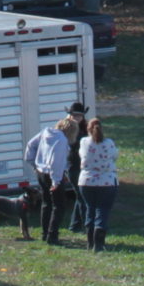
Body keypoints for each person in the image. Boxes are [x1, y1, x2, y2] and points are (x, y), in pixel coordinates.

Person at [22, 117, 72, 245]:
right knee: (59, 206)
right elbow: (56, 161)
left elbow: (30, 145)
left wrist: (33, 163)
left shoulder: (45, 132)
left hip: (41, 172)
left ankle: (44, 233)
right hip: (52, 174)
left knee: (46, 203)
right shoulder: (62, 140)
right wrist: (56, 181)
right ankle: (52, 235)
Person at [45, 100, 88, 244]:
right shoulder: (66, 128)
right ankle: (81, 225)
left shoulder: (85, 129)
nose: (77, 118)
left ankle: (75, 224)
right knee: (81, 195)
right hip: (72, 165)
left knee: (80, 196)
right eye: (75, 115)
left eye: (80, 116)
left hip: (82, 165)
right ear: (69, 115)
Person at [76, 116, 120, 251]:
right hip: (106, 181)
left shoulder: (84, 142)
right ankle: (99, 244)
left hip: (86, 181)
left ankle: (89, 242)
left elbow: (81, 155)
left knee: (90, 209)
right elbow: (115, 156)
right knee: (102, 210)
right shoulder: (109, 143)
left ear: (88, 129)